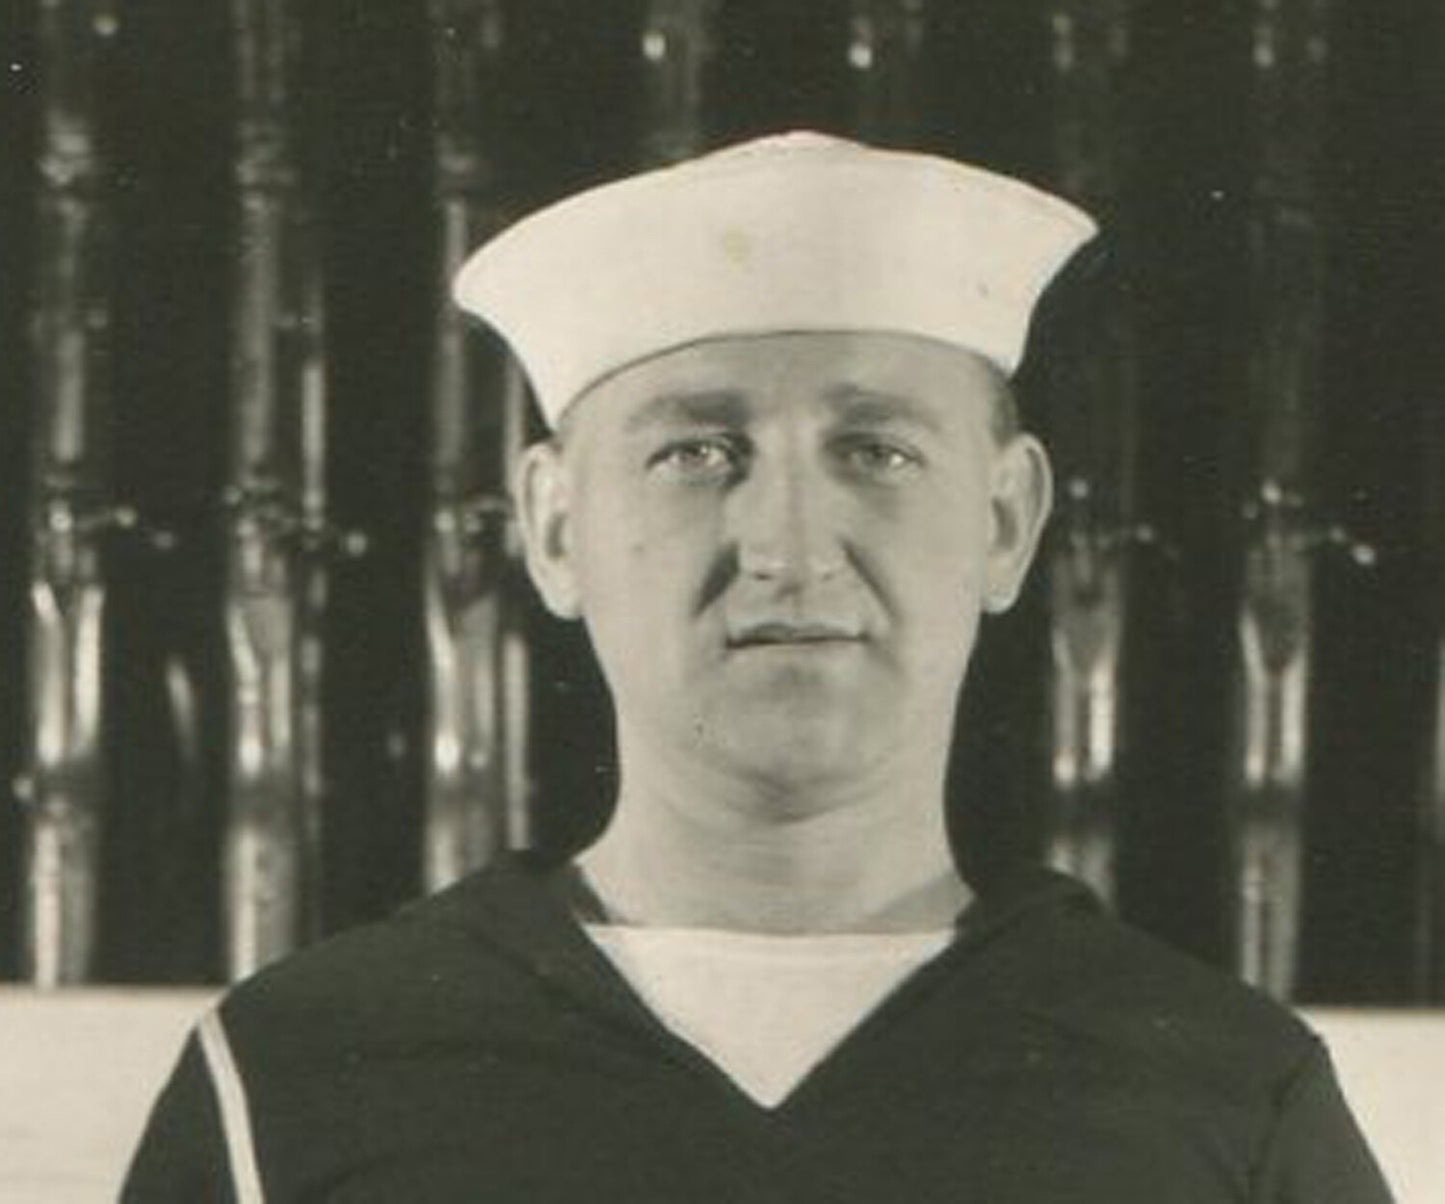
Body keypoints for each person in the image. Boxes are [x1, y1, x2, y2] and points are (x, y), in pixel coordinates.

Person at [123, 131, 1392, 1202]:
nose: (787, 547)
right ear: (556, 529)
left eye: (875, 451)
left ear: (1003, 520)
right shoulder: (290, 1082)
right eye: (696, 453)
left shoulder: (1228, 1100)